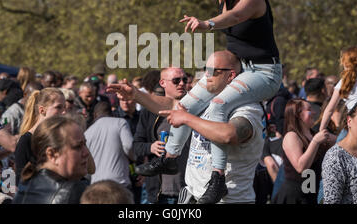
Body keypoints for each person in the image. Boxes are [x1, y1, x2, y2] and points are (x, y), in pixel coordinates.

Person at [141, 0, 282, 203]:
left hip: (264, 74)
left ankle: (217, 178)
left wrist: (208, 23)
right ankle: (170, 156)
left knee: (217, 106)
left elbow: (235, 16)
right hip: (238, 70)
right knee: (186, 104)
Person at [109, 51, 265, 204]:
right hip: (193, 195)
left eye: (212, 71)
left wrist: (187, 118)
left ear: (230, 76)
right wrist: (136, 95)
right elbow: (172, 104)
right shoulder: (206, 102)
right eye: (206, 70)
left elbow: (229, 135)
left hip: (230, 200)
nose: (206, 76)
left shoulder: (248, 109)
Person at [133, 67, 190, 204]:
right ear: (163, 83)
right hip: (161, 192)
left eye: (184, 79)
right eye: (176, 80)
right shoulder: (149, 112)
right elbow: (136, 145)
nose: (181, 83)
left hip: (191, 190)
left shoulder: (195, 108)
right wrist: (151, 147)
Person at [13, 116, 89, 204]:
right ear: (52, 154)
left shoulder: (24, 188)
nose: (86, 153)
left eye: (85, 144)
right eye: (77, 147)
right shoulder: (72, 192)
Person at [272, 99, 335, 204]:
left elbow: (342, 142)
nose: (314, 112)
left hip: (310, 194)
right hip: (294, 196)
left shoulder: (314, 134)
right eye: (309, 109)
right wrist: (315, 142)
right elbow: (300, 167)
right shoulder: (291, 136)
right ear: (298, 114)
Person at [14, 87, 66, 185]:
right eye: (58, 107)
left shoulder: (57, 137)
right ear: (42, 110)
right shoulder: (26, 140)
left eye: (64, 107)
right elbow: (19, 180)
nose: (64, 112)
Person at [84, 101, 135, 191]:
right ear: (111, 112)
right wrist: (135, 159)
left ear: (95, 115)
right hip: (119, 182)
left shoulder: (87, 133)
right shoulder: (120, 123)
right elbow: (129, 146)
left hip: (96, 185)